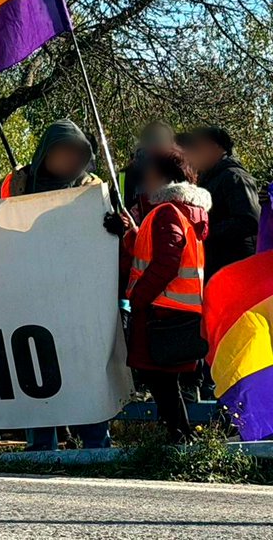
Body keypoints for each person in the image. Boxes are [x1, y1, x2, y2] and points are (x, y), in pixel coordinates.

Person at [0, 121, 109, 451]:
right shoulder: (16, 183)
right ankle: (41, 443)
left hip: (77, 295)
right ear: (46, 152)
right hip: (29, 292)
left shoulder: (91, 188)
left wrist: (114, 227)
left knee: (82, 368)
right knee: (35, 366)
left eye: (77, 153)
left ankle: (95, 442)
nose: (70, 159)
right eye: (63, 152)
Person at [110, 147, 209, 443]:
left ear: (164, 177)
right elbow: (152, 249)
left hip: (159, 310)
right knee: (166, 380)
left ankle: (179, 436)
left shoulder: (166, 212)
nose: (145, 179)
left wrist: (139, 297)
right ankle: (180, 435)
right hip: (180, 312)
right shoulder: (184, 212)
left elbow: (167, 260)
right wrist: (131, 233)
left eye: (150, 173)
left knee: (159, 378)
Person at [183, 126, 259, 281]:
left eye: (198, 148)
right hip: (216, 266)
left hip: (235, 268)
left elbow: (249, 220)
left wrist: (207, 231)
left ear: (214, 147)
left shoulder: (235, 177)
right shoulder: (209, 178)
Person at [0, 119, 100, 199]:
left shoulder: (91, 188)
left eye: (80, 155)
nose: (74, 158)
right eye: (68, 150)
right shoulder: (13, 184)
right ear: (49, 149)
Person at [119, 121, 177, 212]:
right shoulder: (124, 177)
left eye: (161, 140)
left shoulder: (178, 171)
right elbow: (116, 208)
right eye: (151, 139)